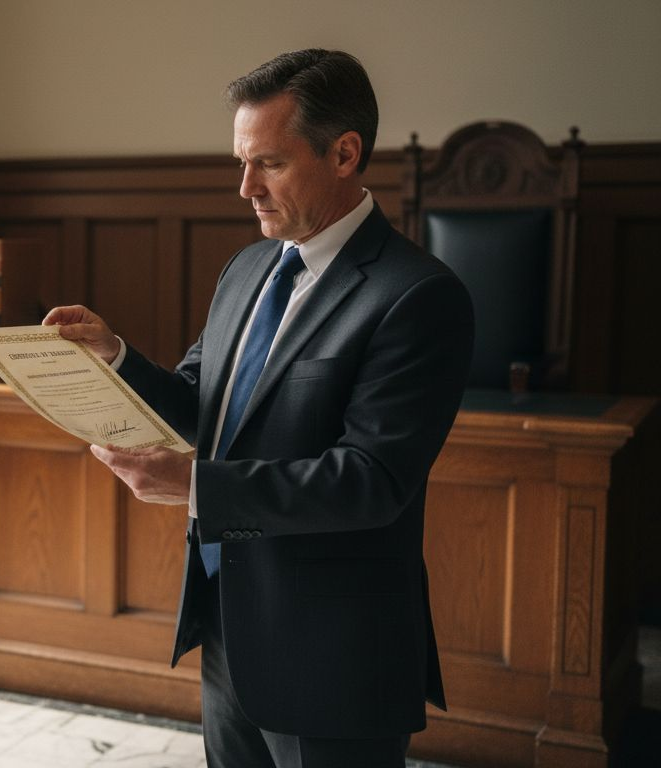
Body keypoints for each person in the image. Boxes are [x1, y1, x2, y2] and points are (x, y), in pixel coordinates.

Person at [43, 49, 474, 768]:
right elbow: (200, 407)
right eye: (241, 162)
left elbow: (370, 481)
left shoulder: (417, 296)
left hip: (333, 656)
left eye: (268, 163)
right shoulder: (246, 268)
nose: (245, 187)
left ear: (344, 154)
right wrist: (116, 358)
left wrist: (196, 487)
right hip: (226, 627)